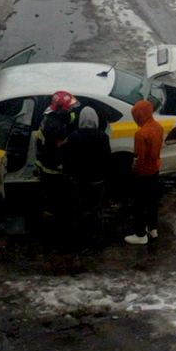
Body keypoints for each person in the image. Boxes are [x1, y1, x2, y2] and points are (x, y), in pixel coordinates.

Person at [64, 106, 111, 247]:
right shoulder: (103, 137)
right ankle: (96, 240)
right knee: (96, 210)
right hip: (97, 180)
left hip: (79, 181)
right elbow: (107, 159)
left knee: (78, 210)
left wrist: (69, 175)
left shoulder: (73, 137)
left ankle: (79, 239)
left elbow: (69, 159)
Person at [124, 99, 163, 245]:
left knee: (139, 204)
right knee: (152, 201)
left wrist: (134, 171)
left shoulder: (141, 134)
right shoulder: (158, 127)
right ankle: (153, 229)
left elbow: (139, 158)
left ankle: (140, 234)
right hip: (155, 169)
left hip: (143, 174)